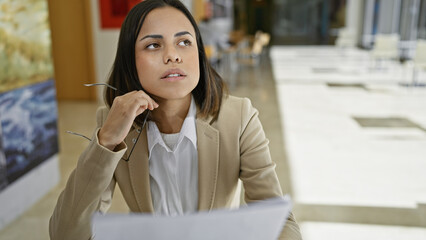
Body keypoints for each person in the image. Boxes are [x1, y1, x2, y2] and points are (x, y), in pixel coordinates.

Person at [49, 0, 302, 239]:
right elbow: (65, 234)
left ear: (199, 54)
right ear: (130, 61)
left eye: (184, 42)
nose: (173, 56)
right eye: (153, 45)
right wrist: (106, 142)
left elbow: (280, 221)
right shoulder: (115, 123)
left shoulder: (238, 117)